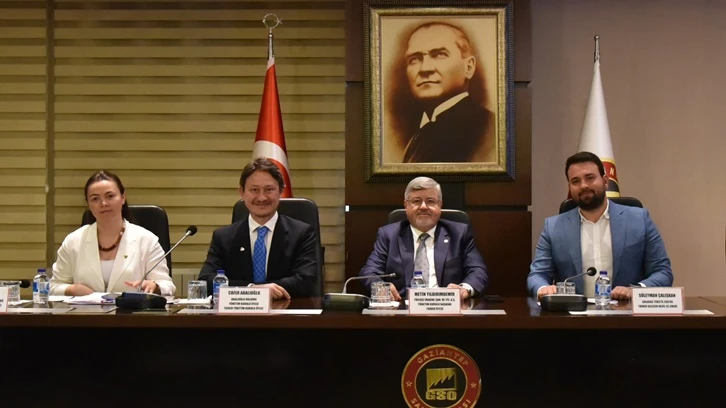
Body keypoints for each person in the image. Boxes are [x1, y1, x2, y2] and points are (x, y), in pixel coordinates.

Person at [527, 152, 673, 301]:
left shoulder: (639, 219)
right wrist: (543, 288)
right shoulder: (553, 227)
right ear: (570, 187)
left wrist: (635, 291)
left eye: (590, 178)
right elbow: (537, 275)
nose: (583, 185)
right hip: (573, 312)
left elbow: (662, 272)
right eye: (575, 181)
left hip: (625, 311)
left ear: (605, 181)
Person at [198, 158, 318, 299]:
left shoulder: (302, 233)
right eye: (254, 190)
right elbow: (206, 281)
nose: (261, 198)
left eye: (269, 190)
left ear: (281, 191)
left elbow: (306, 281)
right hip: (239, 311)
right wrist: (252, 289)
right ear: (242, 192)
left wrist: (262, 290)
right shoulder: (223, 237)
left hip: (286, 310)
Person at [359, 176, 488, 300]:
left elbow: (478, 271)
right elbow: (369, 271)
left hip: (446, 306)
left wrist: (464, 289)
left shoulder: (459, 234)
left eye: (430, 201)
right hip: (401, 306)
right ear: (406, 205)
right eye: (416, 201)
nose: (423, 207)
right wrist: (381, 287)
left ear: (440, 205)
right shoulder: (389, 235)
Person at [50, 171, 176, 296]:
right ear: (88, 204)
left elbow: (167, 285)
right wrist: (72, 289)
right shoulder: (73, 241)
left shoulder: (146, 240)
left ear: (123, 198)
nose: (103, 203)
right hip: (85, 309)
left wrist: (155, 286)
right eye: (95, 199)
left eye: (110, 196)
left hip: (132, 309)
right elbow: (54, 286)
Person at [396, 21, 495, 163]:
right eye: (415, 59)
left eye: (439, 55)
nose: (425, 69)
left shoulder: (489, 130)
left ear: (469, 67)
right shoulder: (420, 134)